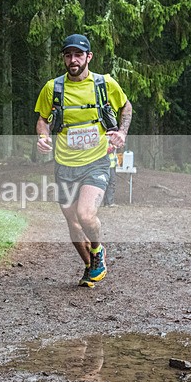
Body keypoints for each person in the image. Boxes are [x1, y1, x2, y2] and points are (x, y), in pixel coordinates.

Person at [35, 34, 132, 288]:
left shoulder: (105, 84)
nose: (73, 60)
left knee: (85, 214)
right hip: (65, 164)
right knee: (72, 221)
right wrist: (43, 137)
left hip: (96, 161)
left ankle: (98, 250)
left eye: (78, 55)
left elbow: (126, 106)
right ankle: (90, 266)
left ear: (88, 57)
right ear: (64, 59)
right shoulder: (53, 88)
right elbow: (43, 119)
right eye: (68, 55)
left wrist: (121, 132)